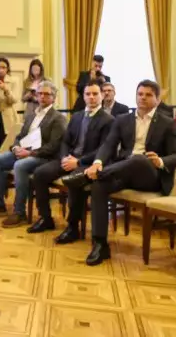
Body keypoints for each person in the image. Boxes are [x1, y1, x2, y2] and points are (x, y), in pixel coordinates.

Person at [62, 80, 176, 266]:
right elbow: (108, 145)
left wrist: (160, 161)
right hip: (123, 172)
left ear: (158, 100)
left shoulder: (167, 123)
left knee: (138, 159)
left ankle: (85, 175)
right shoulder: (123, 119)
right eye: (140, 94)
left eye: (148, 95)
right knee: (99, 186)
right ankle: (100, 244)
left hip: (151, 176)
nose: (143, 98)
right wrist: (97, 163)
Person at [28, 80, 113, 235]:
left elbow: (103, 149)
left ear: (101, 95)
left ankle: (73, 227)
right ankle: (45, 218)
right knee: (39, 174)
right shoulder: (77, 116)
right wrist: (64, 157)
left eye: (95, 94)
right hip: (69, 158)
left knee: (73, 180)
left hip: (88, 163)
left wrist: (78, 162)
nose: (91, 97)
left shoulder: (108, 120)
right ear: (83, 96)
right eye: (88, 94)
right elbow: (65, 141)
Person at [0, 81, 66, 228]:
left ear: (54, 97)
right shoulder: (31, 115)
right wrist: (15, 148)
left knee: (20, 166)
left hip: (43, 157)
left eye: (47, 94)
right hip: (23, 151)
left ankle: (19, 212)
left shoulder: (58, 118)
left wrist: (30, 153)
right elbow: (20, 136)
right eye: (40, 93)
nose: (42, 96)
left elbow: (53, 146)